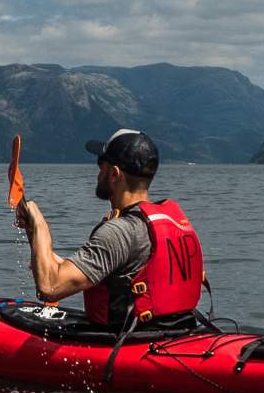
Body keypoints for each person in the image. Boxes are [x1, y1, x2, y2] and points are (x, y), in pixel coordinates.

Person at [14, 129, 205, 327]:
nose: (98, 175)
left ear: (114, 174)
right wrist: (42, 250)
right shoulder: (170, 222)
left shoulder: (120, 232)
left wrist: (39, 222)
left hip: (131, 342)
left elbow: (50, 286)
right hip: (177, 332)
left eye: (101, 166)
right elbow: (98, 268)